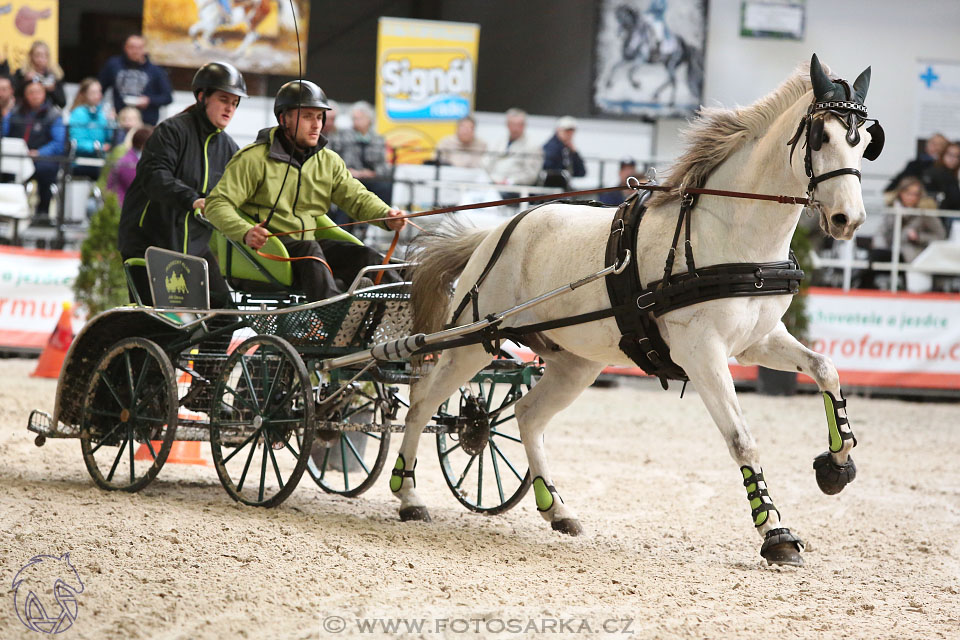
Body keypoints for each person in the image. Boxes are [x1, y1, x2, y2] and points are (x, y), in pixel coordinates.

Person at [205, 80, 407, 302]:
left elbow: (356, 197)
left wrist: (387, 216)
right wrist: (245, 231)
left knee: (365, 256)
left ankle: (400, 307)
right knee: (312, 252)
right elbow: (216, 204)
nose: (316, 125)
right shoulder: (252, 159)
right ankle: (336, 320)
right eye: (307, 117)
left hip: (309, 249)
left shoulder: (328, 161)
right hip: (264, 253)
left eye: (319, 117)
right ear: (284, 119)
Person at [117, 61, 246, 306]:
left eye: (235, 103)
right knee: (164, 327)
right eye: (223, 99)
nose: (230, 108)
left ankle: (207, 348)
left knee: (225, 317)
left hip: (195, 247)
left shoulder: (229, 148)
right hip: (152, 243)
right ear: (202, 96)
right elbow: (154, 175)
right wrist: (192, 199)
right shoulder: (171, 131)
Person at [1, 79, 65, 222]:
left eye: (38, 92)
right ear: (25, 95)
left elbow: (58, 143)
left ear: (44, 93)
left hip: (41, 158)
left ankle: (42, 212)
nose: (35, 95)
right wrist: (6, 115)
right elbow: (4, 134)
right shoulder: (16, 111)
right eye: (31, 92)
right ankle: (7, 211)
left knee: (46, 170)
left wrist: (39, 153)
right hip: (16, 157)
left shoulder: (53, 114)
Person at [99, 35, 173, 126]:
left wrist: (149, 100)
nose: (135, 51)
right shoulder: (114, 65)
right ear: (125, 48)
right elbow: (99, 89)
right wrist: (104, 111)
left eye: (139, 48)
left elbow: (167, 97)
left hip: (146, 123)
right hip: (119, 121)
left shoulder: (156, 71)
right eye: (131, 47)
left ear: (145, 49)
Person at [68, 78, 114, 180]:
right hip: (82, 160)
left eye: (99, 91)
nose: (98, 95)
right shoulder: (77, 114)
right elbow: (76, 142)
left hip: (102, 158)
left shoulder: (103, 113)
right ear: (84, 94)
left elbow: (110, 139)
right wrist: (98, 147)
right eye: (93, 92)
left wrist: (111, 122)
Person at [484, 108, 543, 187]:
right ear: (507, 125)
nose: (515, 128)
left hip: (514, 188)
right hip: (491, 182)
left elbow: (531, 175)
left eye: (519, 124)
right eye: (512, 124)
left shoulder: (533, 146)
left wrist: (510, 181)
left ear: (524, 125)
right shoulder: (498, 142)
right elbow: (487, 163)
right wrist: (489, 178)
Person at [107, 125, 153, 205]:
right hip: (124, 205)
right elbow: (137, 189)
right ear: (143, 145)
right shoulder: (128, 164)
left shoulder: (137, 160)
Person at [12, 41, 65, 109]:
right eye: (37, 55)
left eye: (44, 56)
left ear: (48, 57)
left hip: (47, 113)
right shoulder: (22, 73)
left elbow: (62, 103)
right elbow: (14, 96)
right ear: (31, 56)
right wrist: (25, 82)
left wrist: (53, 90)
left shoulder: (54, 75)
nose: (40, 59)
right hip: (25, 112)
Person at [541, 115, 586, 189]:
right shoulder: (550, 148)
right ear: (558, 130)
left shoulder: (569, 149)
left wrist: (574, 153)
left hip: (564, 186)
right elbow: (551, 172)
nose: (569, 134)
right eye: (566, 131)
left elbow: (581, 172)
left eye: (572, 131)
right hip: (553, 187)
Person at [923, 141, 960, 214]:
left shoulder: (954, 174)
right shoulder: (934, 172)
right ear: (943, 154)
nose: (953, 159)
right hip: (937, 214)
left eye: (957, 156)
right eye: (950, 154)